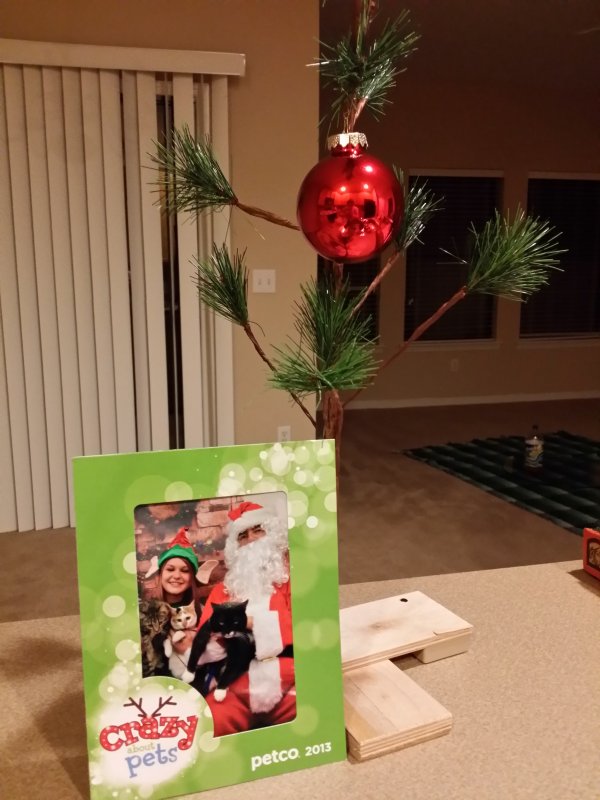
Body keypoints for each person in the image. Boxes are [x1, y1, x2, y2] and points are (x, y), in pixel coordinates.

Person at [192, 501, 296, 736]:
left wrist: (250, 624)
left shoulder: (291, 581)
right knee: (208, 726)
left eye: (258, 530)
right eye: (242, 535)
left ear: (274, 534)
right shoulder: (223, 592)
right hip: (235, 687)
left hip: (290, 680)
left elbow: (301, 631)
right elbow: (205, 644)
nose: (250, 539)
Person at [139, 527, 207, 677]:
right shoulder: (146, 611)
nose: (177, 575)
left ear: (192, 579)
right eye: (170, 569)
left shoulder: (201, 611)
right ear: (160, 574)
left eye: (184, 571)